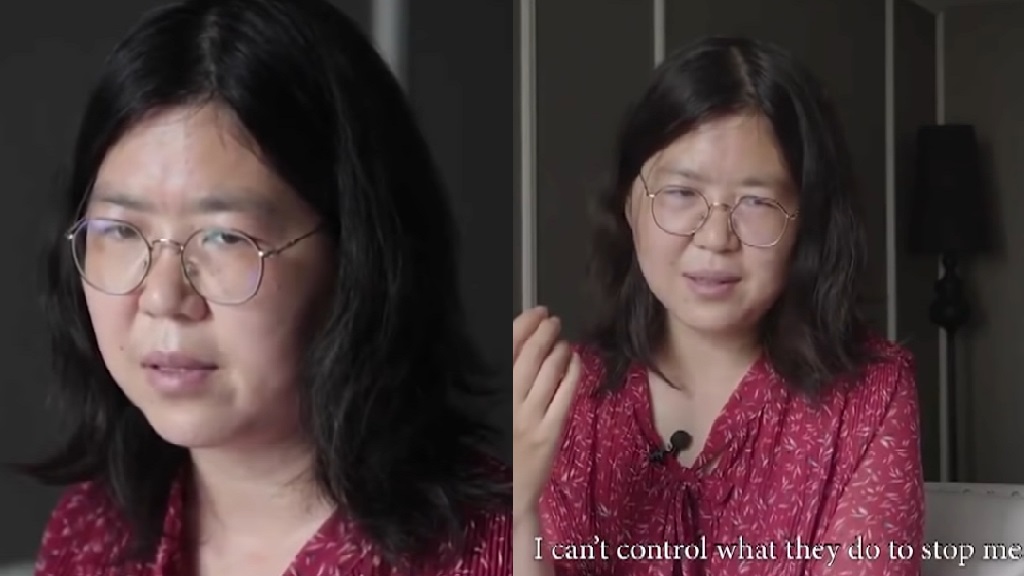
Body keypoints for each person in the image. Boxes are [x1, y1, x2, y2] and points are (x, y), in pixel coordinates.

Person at [25, 0, 510, 574]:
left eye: (225, 237)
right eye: (120, 231)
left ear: (355, 255)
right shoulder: (92, 533)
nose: (162, 298)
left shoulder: (504, 550)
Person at [513, 36, 923, 576]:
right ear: (629, 204)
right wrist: (519, 511)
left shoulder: (871, 396)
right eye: (682, 193)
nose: (715, 238)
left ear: (807, 223)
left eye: (756, 201)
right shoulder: (562, 397)